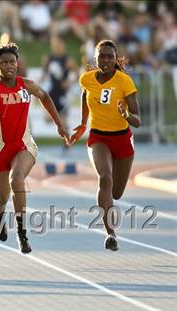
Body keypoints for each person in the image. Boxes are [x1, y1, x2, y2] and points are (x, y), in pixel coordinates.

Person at [0, 43, 70, 254]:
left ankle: (21, 232)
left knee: (16, 179)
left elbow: (45, 96)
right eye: (4, 62)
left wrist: (59, 125)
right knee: (2, 198)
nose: (9, 66)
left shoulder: (26, 85)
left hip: (24, 145)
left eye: (12, 61)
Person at [70, 39, 141, 251]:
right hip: (98, 138)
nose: (106, 60)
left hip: (122, 139)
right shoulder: (87, 79)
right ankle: (110, 233)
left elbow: (138, 120)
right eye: (102, 56)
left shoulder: (124, 81)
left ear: (115, 58)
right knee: (105, 178)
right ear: (95, 59)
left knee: (116, 193)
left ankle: (110, 214)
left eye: (110, 56)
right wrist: (84, 123)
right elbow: (85, 95)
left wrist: (126, 114)